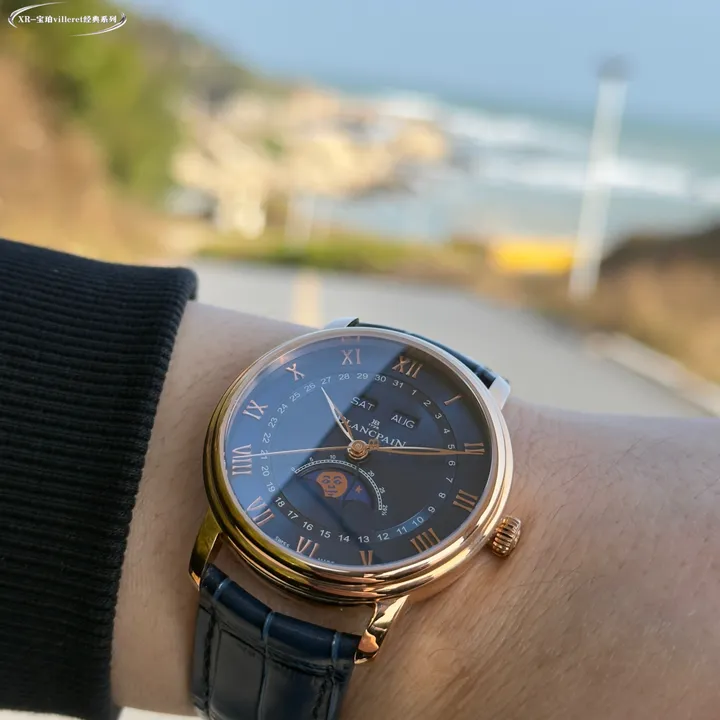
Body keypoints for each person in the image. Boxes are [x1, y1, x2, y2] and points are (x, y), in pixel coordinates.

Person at [0, 237, 718, 720]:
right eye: (351, 438)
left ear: (497, 531)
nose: (358, 449)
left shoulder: (383, 612)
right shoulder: (214, 540)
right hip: (238, 537)